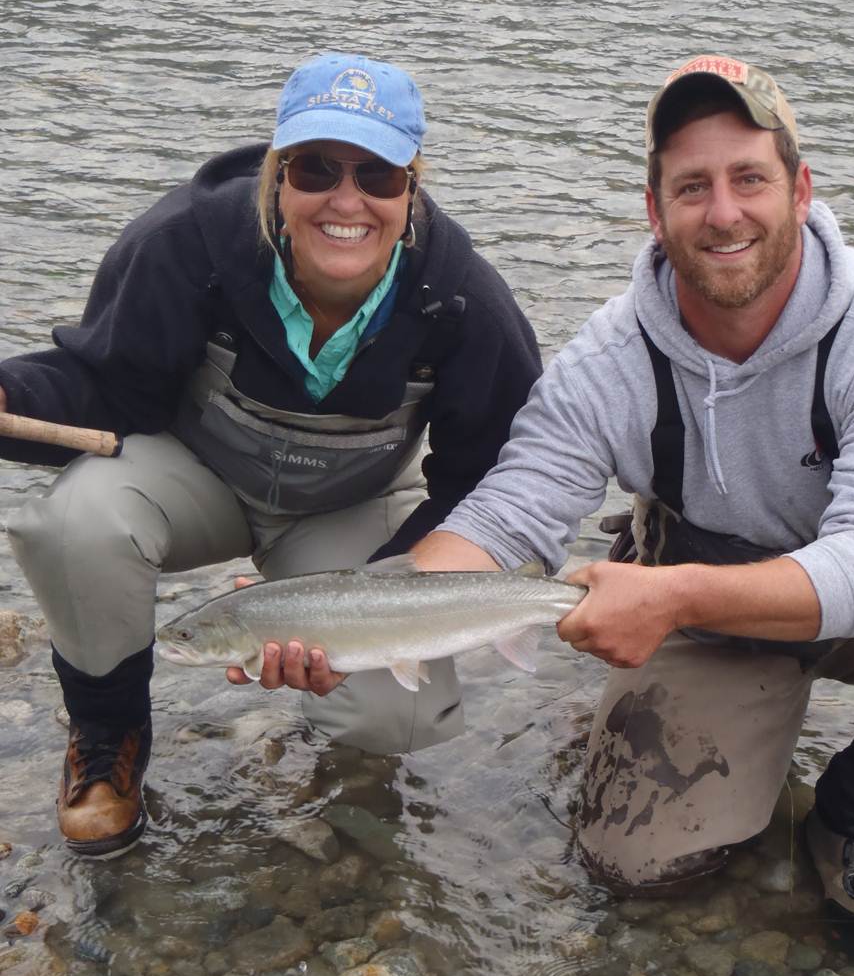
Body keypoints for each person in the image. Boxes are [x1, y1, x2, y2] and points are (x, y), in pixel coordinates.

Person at [400, 54, 854, 952]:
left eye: (749, 178)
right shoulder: (608, 358)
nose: (722, 212)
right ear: (654, 209)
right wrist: (369, 614)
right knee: (633, 866)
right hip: (703, 619)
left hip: (845, 592)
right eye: (691, 186)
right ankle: (704, 732)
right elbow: (510, 514)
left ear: (799, 190)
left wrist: (668, 597)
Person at [0, 51, 541, 860]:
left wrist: (372, 596)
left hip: (350, 509)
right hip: (197, 479)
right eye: (315, 168)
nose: (346, 200)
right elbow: (106, 386)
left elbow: (494, 479)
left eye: (377, 175)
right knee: (72, 524)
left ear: (411, 190)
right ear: (276, 178)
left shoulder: (464, 300)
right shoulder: (185, 245)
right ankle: (108, 739)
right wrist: (10, 396)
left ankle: (353, 795)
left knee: (393, 708)